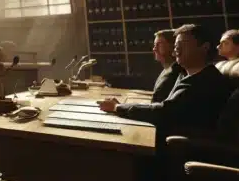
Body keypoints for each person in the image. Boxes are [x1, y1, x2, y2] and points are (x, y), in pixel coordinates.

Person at [99, 24, 231, 138]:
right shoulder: (189, 75)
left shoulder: (205, 81)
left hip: (185, 147)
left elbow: (163, 112)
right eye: (175, 46)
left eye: (181, 45)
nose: (176, 51)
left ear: (204, 47)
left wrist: (118, 107)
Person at [149, 29, 184, 102]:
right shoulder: (167, 70)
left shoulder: (174, 74)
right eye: (154, 45)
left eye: (159, 44)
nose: (154, 49)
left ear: (173, 46)